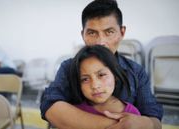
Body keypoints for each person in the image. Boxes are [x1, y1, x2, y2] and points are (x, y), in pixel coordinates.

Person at [40, 0, 163, 129]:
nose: (100, 42)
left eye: (109, 32)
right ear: (83, 35)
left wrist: (146, 123)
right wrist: (121, 126)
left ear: (122, 33)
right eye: (92, 33)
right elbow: (50, 106)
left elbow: (154, 120)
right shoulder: (69, 67)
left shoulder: (136, 72)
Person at [70, 45, 141, 116]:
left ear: (115, 75)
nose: (95, 86)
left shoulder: (132, 114)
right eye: (85, 79)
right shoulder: (74, 113)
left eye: (101, 75)